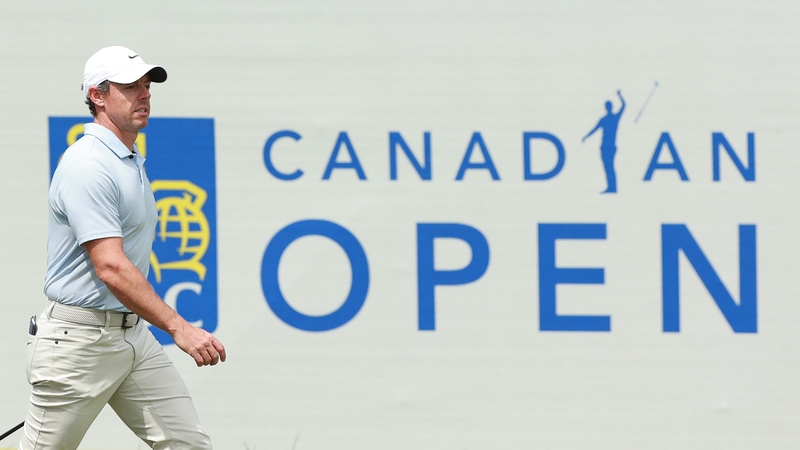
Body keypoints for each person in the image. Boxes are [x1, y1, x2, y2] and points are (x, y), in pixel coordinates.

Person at [20, 46, 226, 449]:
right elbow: (110, 267)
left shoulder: (127, 159)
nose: (144, 95)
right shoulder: (88, 164)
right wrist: (180, 328)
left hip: (132, 337)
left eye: (146, 86)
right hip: (78, 343)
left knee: (189, 445)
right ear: (97, 94)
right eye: (130, 87)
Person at [582, 90, 626, 193]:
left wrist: (619, 95)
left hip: (609, 146)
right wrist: (586, 137)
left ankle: (612, 188)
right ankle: (611, 187)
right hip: (606, 146)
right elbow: (595, 129)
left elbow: (624, 106)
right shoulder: (609, 119)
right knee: (608, 167)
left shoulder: (612, 118)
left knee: (609, 167)